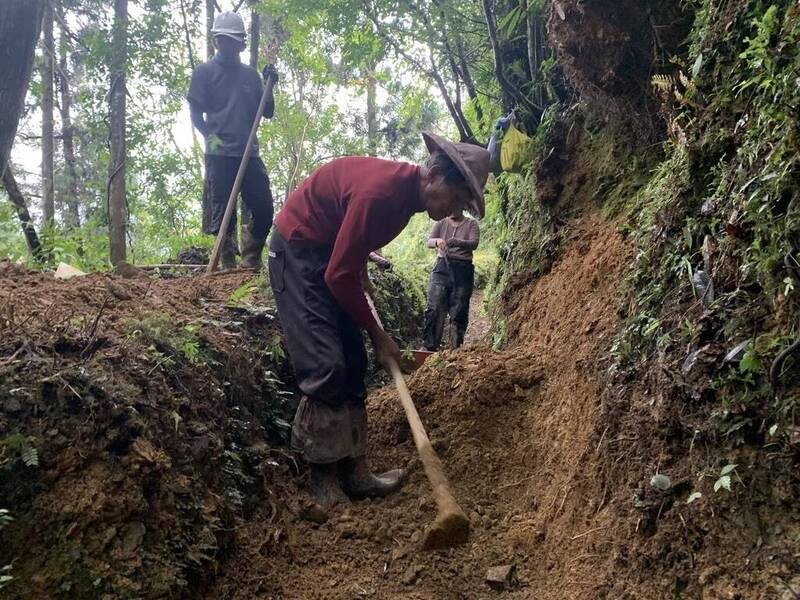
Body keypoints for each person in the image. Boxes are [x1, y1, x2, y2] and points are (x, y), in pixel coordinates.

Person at [268, 132, 490, 509]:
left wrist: (364, 278)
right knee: (326, 366)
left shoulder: (404, 201)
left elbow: (352, 247)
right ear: (435, 174)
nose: (455, 208)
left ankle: (357, 473)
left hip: (327, 256)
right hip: (298, 253)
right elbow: (338, 273)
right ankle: (322, 480)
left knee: (354, 362)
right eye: (455, 197)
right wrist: (377, 332)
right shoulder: (384, 195)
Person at [187, 11, 278, 269]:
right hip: (219, 155)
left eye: (233, 40)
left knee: (262, 205)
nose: (227, 45)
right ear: (216, 41)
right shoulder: (204, 73)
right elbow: (195, 113)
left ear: (242, 44)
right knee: (222, 213)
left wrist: (269, 85)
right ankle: (226, 260)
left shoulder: (250, 76)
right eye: (222, 40)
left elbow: (267, 111)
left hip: (249, 153)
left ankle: (250, 257)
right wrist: (210, 137)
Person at [423, 208, 480, 350]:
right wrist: (437, 242)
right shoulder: (441, 223)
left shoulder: (471, 224)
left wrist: (458, 242)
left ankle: (454, 349)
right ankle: (429, 347)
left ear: (462, 206)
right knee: (434, 307)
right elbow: (429, 241)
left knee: (459, 310)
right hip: (442, 266)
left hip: (463, 268)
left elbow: (474, 243)